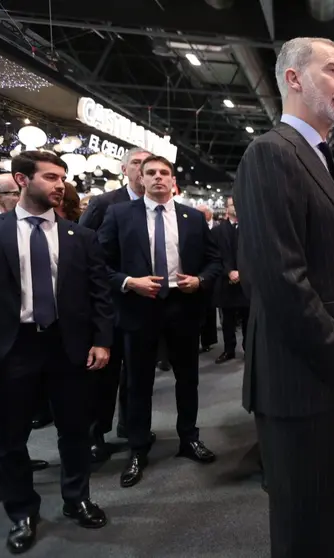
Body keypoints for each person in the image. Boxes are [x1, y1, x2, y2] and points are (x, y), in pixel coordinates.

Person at [233, 37, 334, 558]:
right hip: (299, 387)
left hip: (333, 382)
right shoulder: (271, 154)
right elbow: (280, 284)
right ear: (293, 79)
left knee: (328, 522)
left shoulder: (328, 163)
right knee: (305, 533)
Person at [0, 150, 114, 553]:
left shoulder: (80, 236)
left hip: (67, 346)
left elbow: (99, 293)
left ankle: (76, 498)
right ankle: (22, 513)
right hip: (9, 347)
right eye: (50, 177)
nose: (60, 184)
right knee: (10, 438)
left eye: (62, 177)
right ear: (21, 180)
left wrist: (102, 339)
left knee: (74, 430)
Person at [98, 155, 221, 488]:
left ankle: (189, 438)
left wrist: (200, 281)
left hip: (182, 308)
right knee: (138, 383)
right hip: (139, 308)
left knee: (188, 379)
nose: (157, 178)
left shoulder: (193, 218)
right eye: (150, 172)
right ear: (139, 177)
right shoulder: (120, 214)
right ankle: (138, 448)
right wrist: (128, 282)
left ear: (172, 179)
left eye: (163, 173)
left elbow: (214, 261)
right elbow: (99, 263)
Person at [78, 147, 152, 462]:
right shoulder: (104, 204)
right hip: (108, 306)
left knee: (137, 376)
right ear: (124, 170)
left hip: (144, 307)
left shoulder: (158, 207)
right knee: (102, 378)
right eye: (136, 163)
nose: (142, 169)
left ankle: (132, 429)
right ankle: (95, 435)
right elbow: (83, 250)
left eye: (147, 165)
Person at [212, 195, 248, 364]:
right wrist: (229, 272)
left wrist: (241, 272)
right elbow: (215, 255)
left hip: (247, 281)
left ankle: (249, 349)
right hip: (226, 281)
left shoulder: (251, 229)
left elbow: (254, 253)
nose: (235, 207)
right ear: (226, 209)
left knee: (248, 318)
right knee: (227, 320)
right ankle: (229, 350)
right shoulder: (217, 231)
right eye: (232, 205)